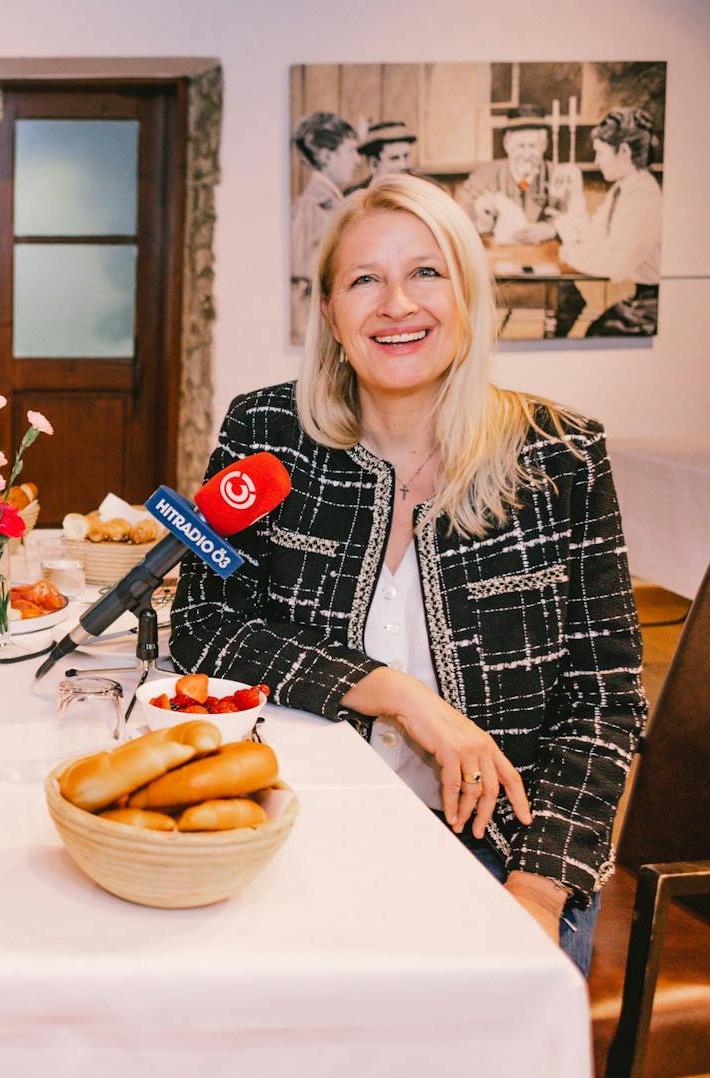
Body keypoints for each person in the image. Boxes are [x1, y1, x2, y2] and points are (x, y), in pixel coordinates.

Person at [171, 175, 645, 973]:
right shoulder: (267, 433)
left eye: (426, 272)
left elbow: (606, 696)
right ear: (329, 311)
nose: (397, 304)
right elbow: (204, 625)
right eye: (365, 280)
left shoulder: (560, 456)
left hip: (501, 857)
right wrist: (395, 693)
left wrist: (535, 891)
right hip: (295, 836)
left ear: (468, 291)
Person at [555, 108, 663, 336]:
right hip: (641, 300)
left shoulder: (643, 195)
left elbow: (612, 265)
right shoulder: (622, 189)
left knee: (596, 334)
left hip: (654, 311)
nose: (596, 161)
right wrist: (575, 196)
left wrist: (570, 254)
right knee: (594, 331)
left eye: (601, 153)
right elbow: (594, 237)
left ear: (623, 151)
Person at [458, 106, 582, 245]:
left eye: (533, 146)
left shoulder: (559, 176)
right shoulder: (483, 178)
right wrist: (482, 218)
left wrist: (552, 229)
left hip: (545, 258)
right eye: (521, 146)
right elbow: (461, 223)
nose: (527, 154)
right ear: (507, 146)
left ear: (544, 146)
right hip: (498, 258)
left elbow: (579, 222)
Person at [290, 111, 359, 341]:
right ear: (326, 156)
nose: (357, 160)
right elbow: (301, 277)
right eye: (349, 151)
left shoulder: (335, 201)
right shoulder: (312, 206)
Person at [344, 120, 417, 194]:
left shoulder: (415, 191)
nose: (404, 165)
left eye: (406, 156)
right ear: (374, 164)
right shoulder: (357, 196)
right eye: (394, 158)